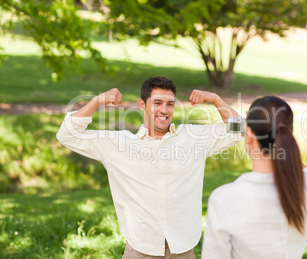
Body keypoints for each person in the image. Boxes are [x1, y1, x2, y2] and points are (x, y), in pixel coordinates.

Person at [56, 76, 242, 259]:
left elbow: (239, 129)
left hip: (183, 252)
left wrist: (216, 100)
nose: (164, 109)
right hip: (139, 252)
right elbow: (67, 135)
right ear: (142, 105)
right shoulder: (118, 144)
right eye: (157, 103)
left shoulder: (193, 138)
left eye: (170, 104)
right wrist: (97, 101)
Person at [202, 96, 307, 259]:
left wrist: (249, 128)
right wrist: (256, 130)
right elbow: (303, 169)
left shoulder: (224, 199)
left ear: (248, 134)